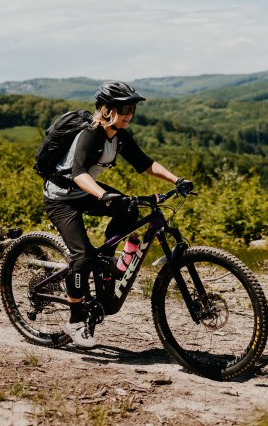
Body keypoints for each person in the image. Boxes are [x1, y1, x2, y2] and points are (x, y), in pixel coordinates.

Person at [43, 81, 193, 349]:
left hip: (87, 190)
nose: (128, 114)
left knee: (129, 207)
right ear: (105, 109)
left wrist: (176, 179)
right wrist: (103, 195)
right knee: (83, 256)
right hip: (62, 197)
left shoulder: (119, 135)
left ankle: (108, 259)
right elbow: (78, 173)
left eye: (131, 108)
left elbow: (145, 163)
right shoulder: (91, 134)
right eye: (123, 108)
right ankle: (75, 320)